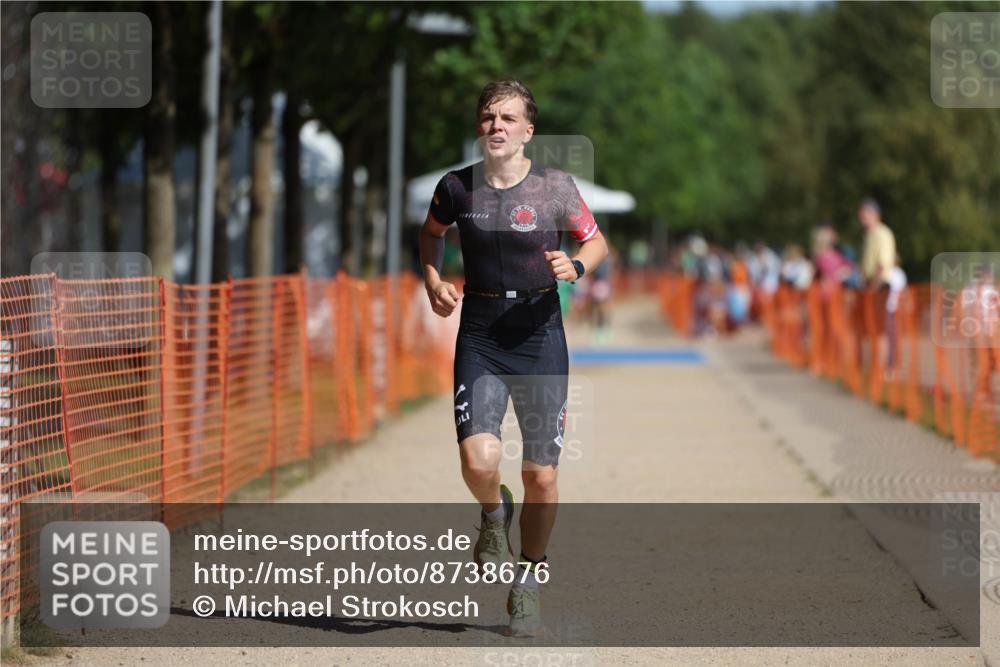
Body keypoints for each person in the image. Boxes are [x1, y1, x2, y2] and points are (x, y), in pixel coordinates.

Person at [419, 80, 609, 637]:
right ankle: (493, 512)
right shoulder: (456, 188)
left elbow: (595, 242)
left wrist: (577, 265)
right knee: (478, 460)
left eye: (507, 118)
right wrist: (432, 278)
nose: (495, 126)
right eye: (487, 117)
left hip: (538, 332)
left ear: (528, 130)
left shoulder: (555, 189)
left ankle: (528, 578)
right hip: (479, 332)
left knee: (541, 476)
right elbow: (430, 234)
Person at [858, 198, 896, 289]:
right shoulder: (868, 235)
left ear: (874, 214)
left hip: (879, 285)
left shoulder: (882, 234)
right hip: (870, 284)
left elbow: (882, 264)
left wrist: (874, 287)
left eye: (864, 212)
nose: (860, 215)